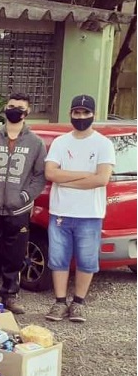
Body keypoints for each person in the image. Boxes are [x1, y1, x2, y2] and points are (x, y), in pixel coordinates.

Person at [44, 95, 115, 323]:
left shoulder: (103, 144)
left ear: (93, 114)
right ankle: (59, 302)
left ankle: (78, 303)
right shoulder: (60, 142)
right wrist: (86, 175)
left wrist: (66, 180)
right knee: (58, 259)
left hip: (89, 214)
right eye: (77, 113)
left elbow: (102, 179)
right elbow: (51, 173)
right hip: (61, 212)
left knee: (86, 261)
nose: (81, 117)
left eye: (85, 113)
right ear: (71, 114)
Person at [0, 93, 47, 314]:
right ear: (4, 109)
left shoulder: (35, 143)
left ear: (27, 112)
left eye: (19, 107)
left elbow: (39, 175)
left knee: (15, 255)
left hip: (19, 209)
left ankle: (9, 295)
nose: (14, 110)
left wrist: (25, 196)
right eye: (11, 106)